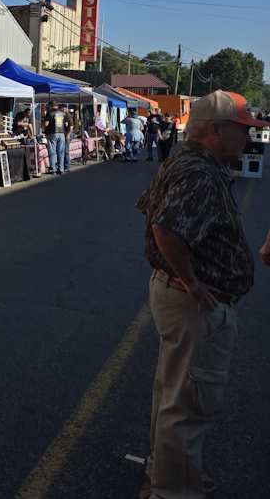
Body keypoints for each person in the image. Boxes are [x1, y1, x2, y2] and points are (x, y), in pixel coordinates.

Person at [136, 91, 269, 499]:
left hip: (178, 295)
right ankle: (174, 489)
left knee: (174, 392)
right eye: (242, 129)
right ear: (215, 131)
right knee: (189, 402)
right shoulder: (199, 172)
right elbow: (166, 227)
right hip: (193, 302)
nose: (248, 138)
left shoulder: (188, 162)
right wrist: (192, 281)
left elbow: (151, 210)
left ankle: (169, 473)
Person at [44, 103, 72, 175]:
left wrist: (43, 124)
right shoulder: (63, 113)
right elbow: (66, 124)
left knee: (52, 152)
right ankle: (61, 169)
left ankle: (53, 169)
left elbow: (46, 124)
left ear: (51, 106)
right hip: (61, 133)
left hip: (52, 133)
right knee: (61, 152)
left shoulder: (50, 113)